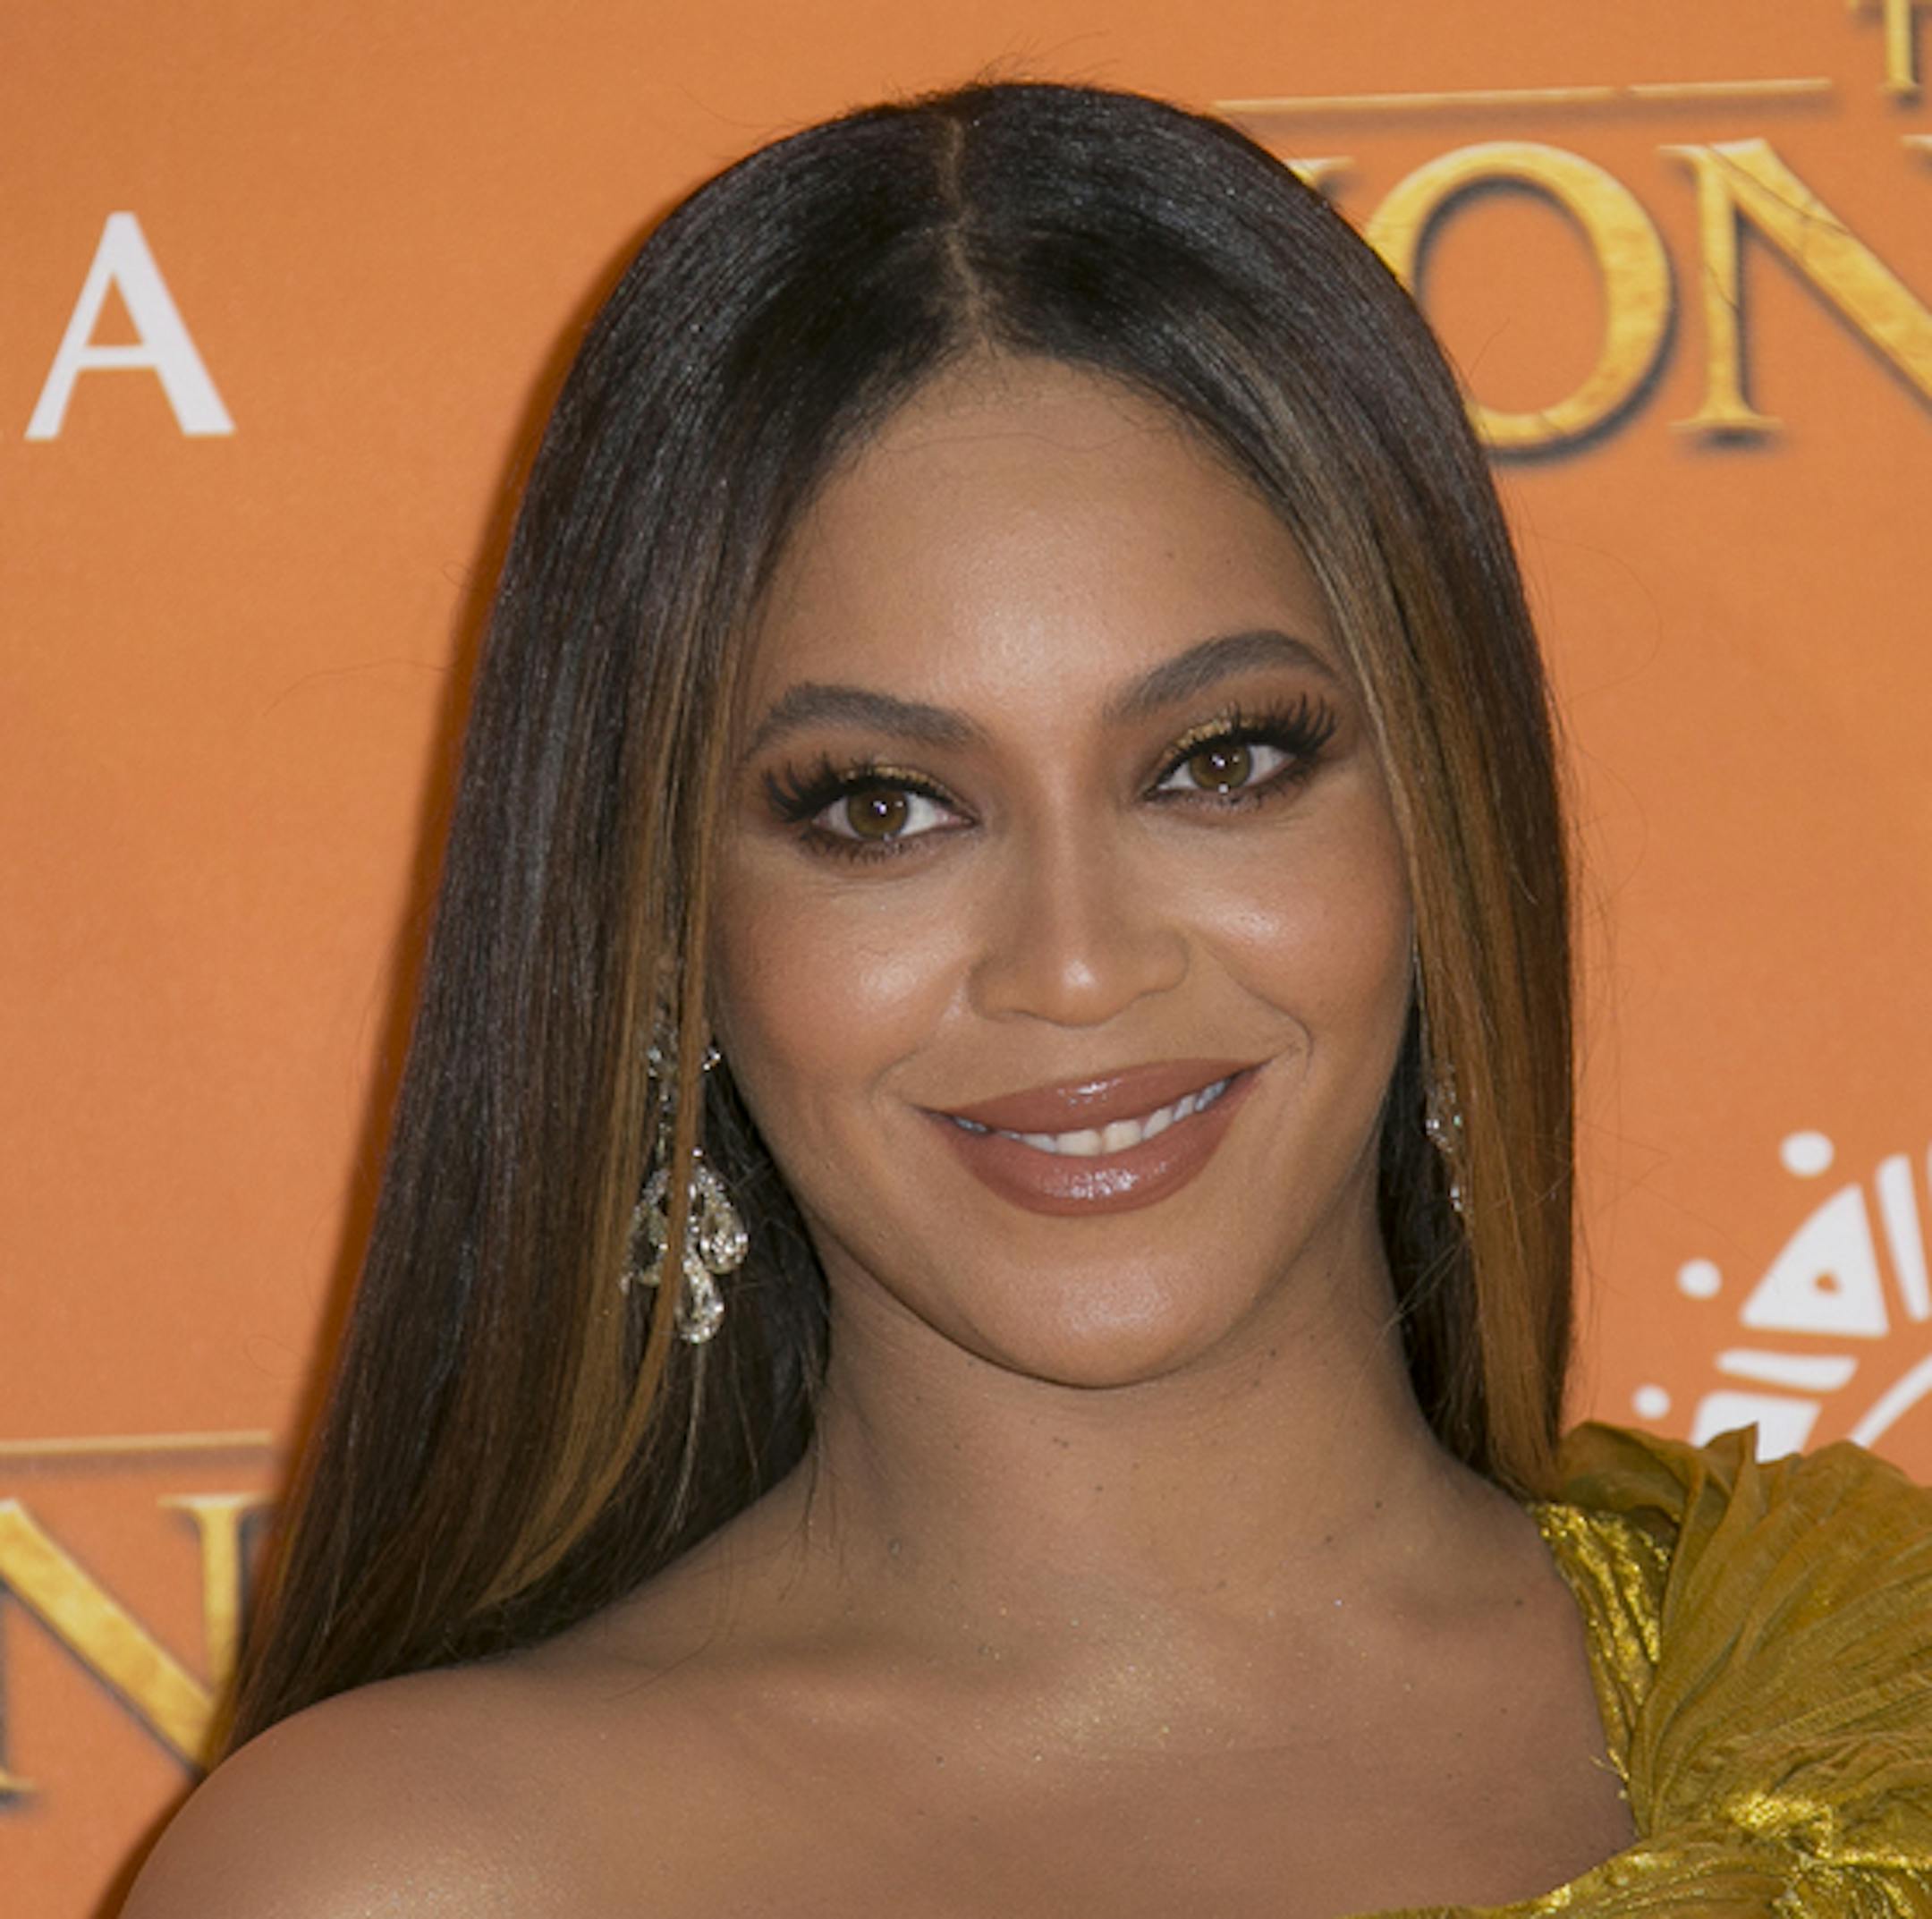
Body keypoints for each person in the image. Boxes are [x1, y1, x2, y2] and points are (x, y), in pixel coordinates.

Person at [125, 81, 1932, 1919]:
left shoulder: (1874, 1695)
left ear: (1442, 815)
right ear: (669, 936)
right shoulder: (414, 1876)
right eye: (882, 807)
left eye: (1219, 764)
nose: (1076, 960)